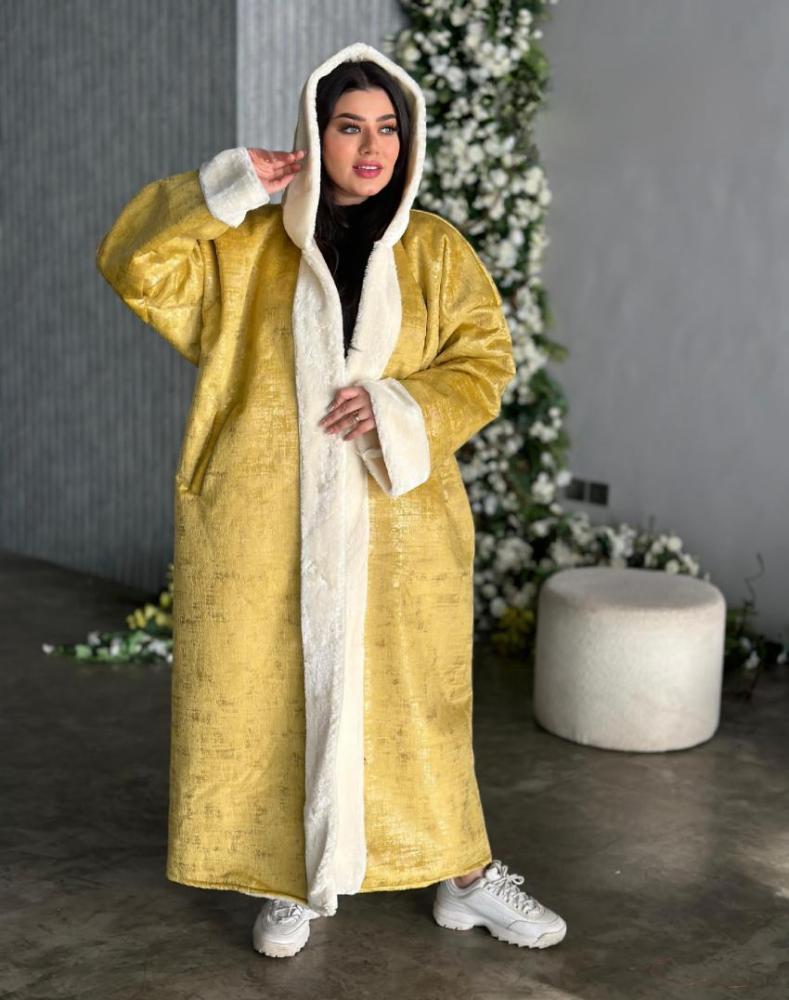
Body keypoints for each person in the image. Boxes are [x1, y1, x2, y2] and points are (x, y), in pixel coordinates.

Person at [95, 41, 567, 959]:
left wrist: (397, 405)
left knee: (417, 704)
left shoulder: (434, 252)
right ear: (315, 136)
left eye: (387, 128)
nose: (372, 146)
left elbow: (482, 364)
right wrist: (226, 187)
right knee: (265, 693)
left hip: (400, 528)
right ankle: (288, 877)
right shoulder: (246, 248)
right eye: (350, 126)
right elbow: (135, 263)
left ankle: (464, 877)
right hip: (263, 520)